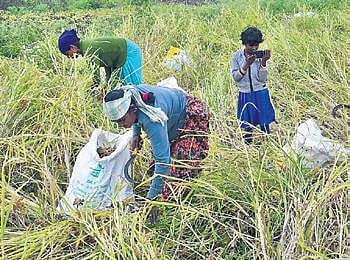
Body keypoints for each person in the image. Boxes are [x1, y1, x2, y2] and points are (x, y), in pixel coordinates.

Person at [103, 84, 209, 223]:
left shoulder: (151, 120)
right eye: (116, 122)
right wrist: (136, 134)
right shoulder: (131, 95)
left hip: (187, 116)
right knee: (159, 173)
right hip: (171, 118)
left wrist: (152, 201)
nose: (121, 125)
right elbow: (138, 113)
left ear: (132, 109)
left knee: (181, 170)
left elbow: (163, 161)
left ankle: (186, 211)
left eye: (122, 120)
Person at [231, 26, 275, 144]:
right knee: (246, 123)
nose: (254, 48)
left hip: (260, 93)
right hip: (245, 94)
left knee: (264, 122)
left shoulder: (260, 56)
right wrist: (246, 65)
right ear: (244, 44)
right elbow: (236, 78)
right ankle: (248, 146)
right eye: (251, 45)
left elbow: (262, 79)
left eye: (256, 45)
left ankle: (267, 144)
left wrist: (264, 62)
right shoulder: (237, 57)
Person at [58, 29, 142, 89]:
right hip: (120, 54)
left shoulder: (89, 50)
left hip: (129, 51)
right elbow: (107, 63)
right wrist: (106, 86)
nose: (69, 57)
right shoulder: (85, 48)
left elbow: (96, 76)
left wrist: (95, 89)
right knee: (117, 86)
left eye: (67, 54)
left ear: (72, 48)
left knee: (133, 86)